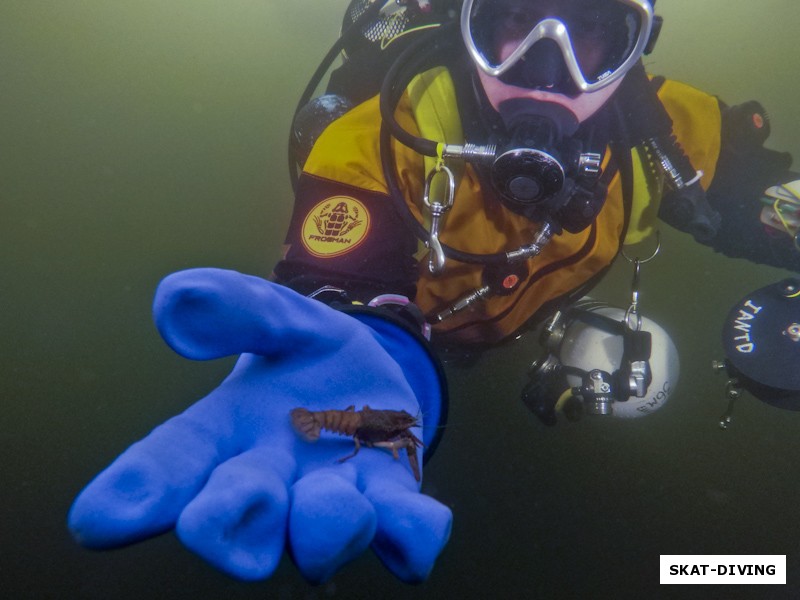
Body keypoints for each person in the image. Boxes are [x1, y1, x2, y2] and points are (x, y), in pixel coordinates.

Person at [67, 0, 799, 585]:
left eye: (593, 31)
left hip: (519, 333)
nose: (547, 69)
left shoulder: (674, 130)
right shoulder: (379, 136)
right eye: (512, 23)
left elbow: (768, 199)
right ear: (465, 24)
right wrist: (377, 365)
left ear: (637, 44)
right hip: (410, 347)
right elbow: (342, 289)